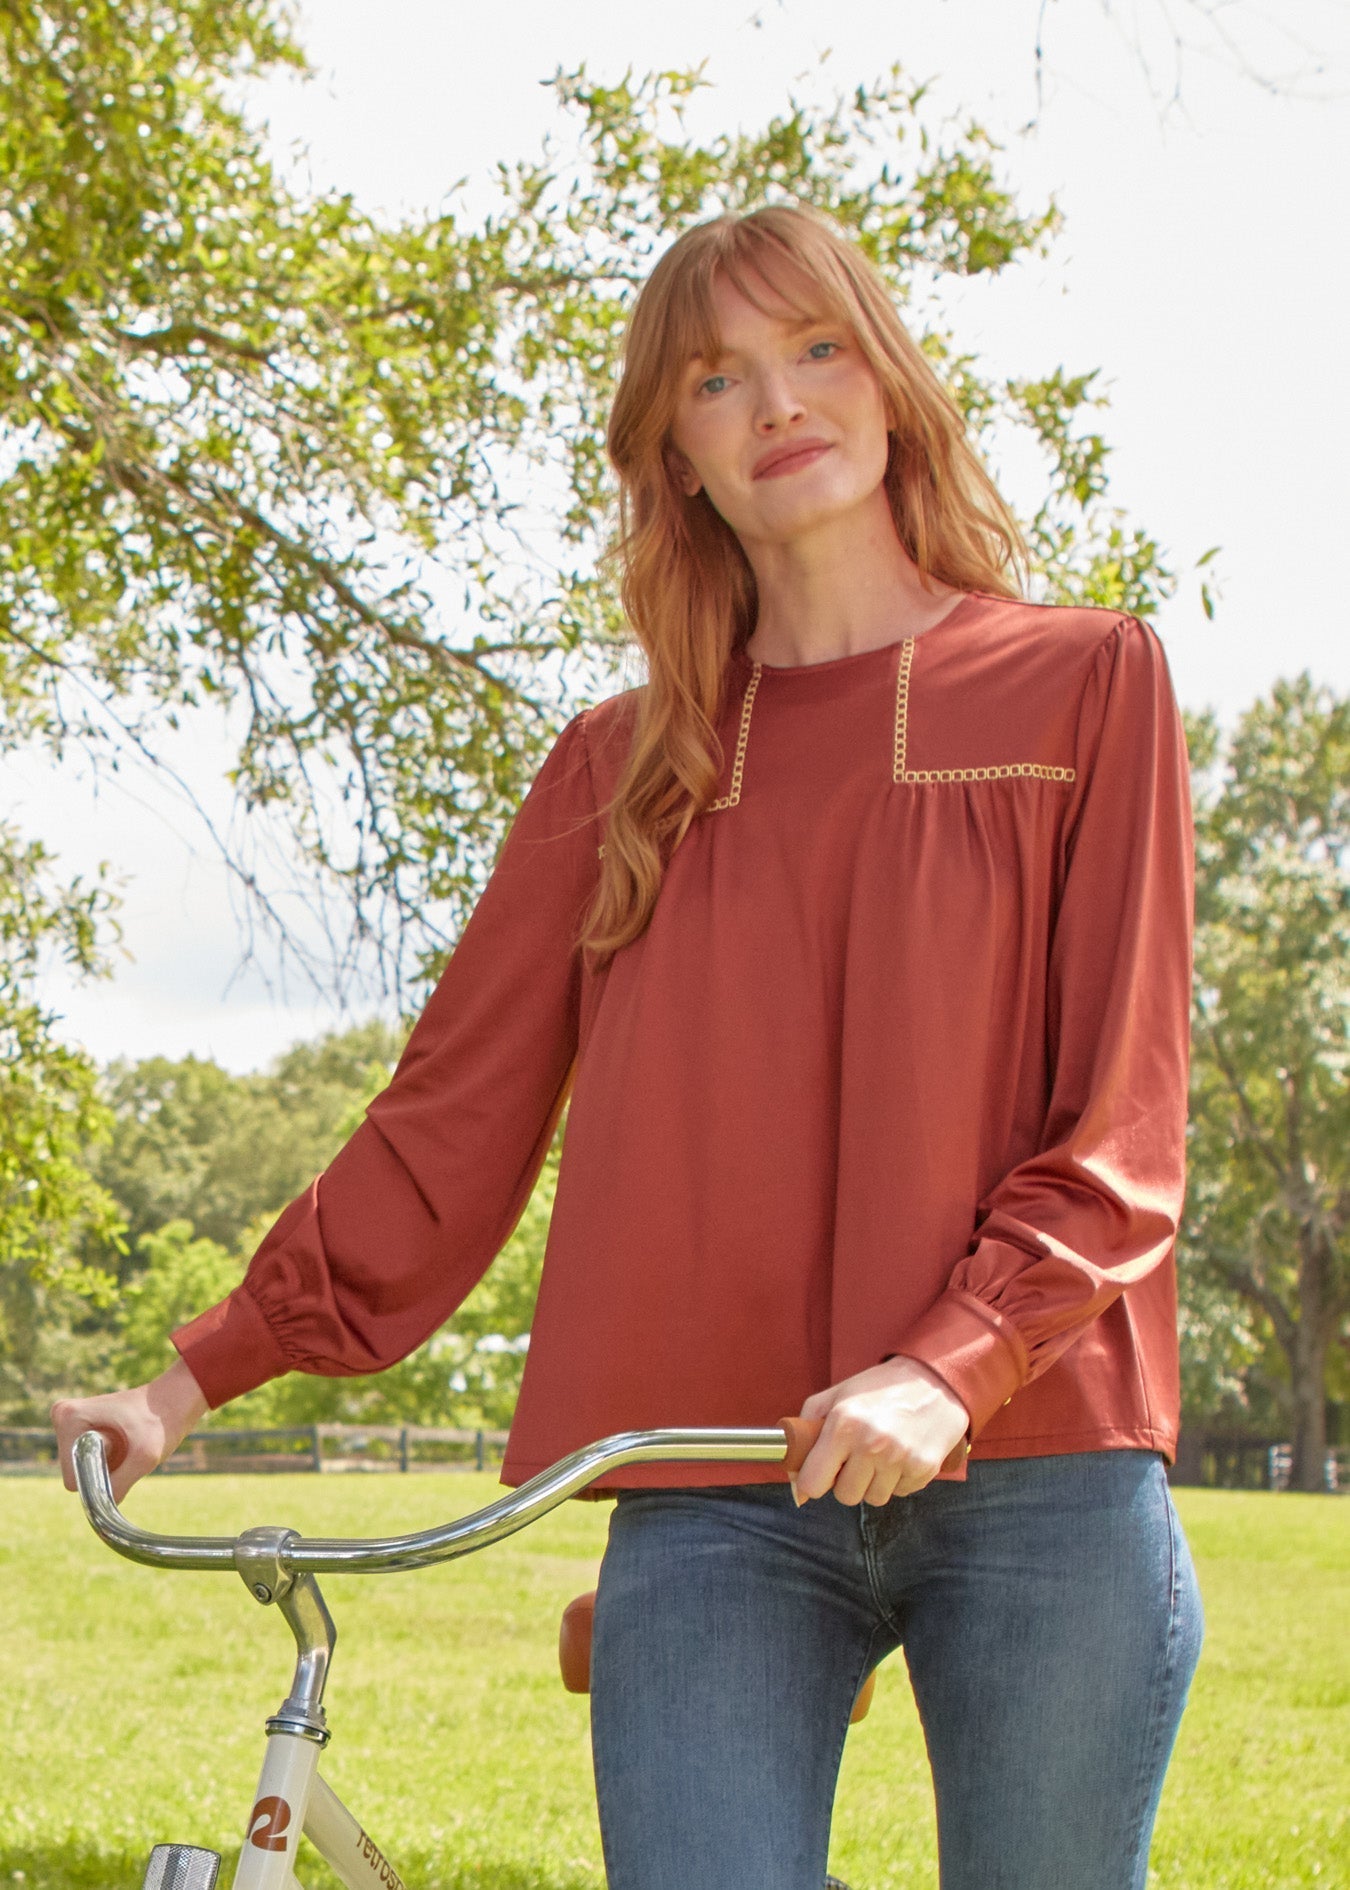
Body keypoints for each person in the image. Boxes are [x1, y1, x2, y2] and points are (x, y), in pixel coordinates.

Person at [54, 203, 1204, 1890]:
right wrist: (183, 1383)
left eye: (816, 348)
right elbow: (447, 1124)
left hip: (1039, 1469)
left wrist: (944, 1359)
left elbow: (1125, 1125)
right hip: (714, 1489)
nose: (778, 401)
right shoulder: (618, 768)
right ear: (671, 447)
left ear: (887, 383)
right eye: (716, 376)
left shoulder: (1083, 684)